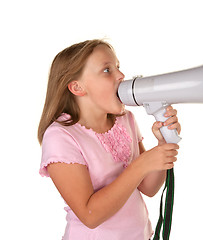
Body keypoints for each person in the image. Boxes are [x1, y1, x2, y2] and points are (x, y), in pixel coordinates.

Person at [38, 39, 181, 240]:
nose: (121, 75)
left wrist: (164, 144)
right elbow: (90, 215)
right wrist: (140, 165)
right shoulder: (61, 137)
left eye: (118, 67)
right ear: (77, 87)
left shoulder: (125, 120)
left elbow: (148, 188)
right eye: (107, 70)